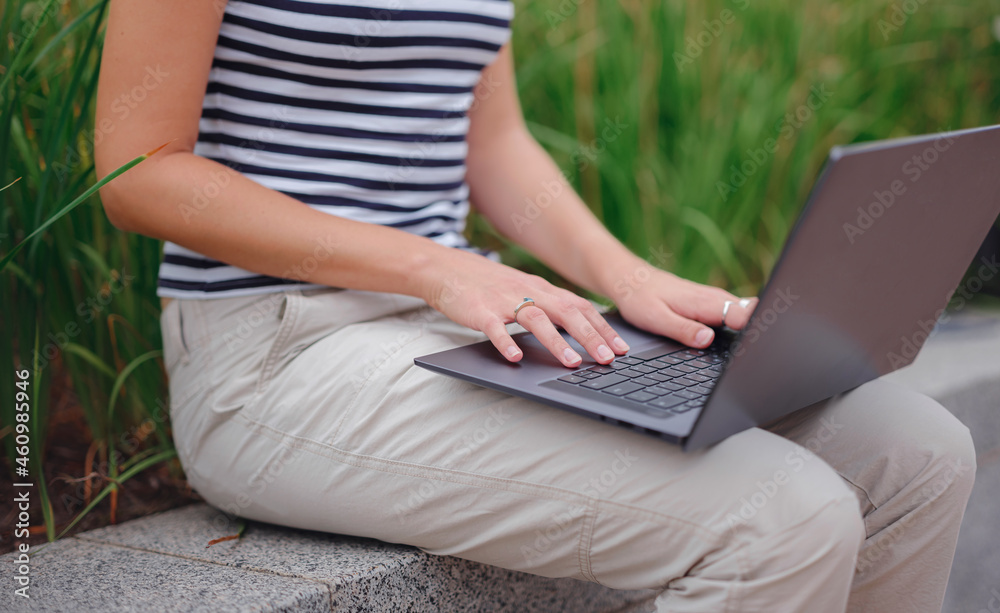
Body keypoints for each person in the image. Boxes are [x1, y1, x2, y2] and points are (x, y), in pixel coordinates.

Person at [94, 1, 976, 611]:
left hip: (466, 322)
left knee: (919, 449)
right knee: (779, 518)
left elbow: (495, 140)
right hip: (280, 351)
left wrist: (626, 277)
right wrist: (434, 268)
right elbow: (139, 170)